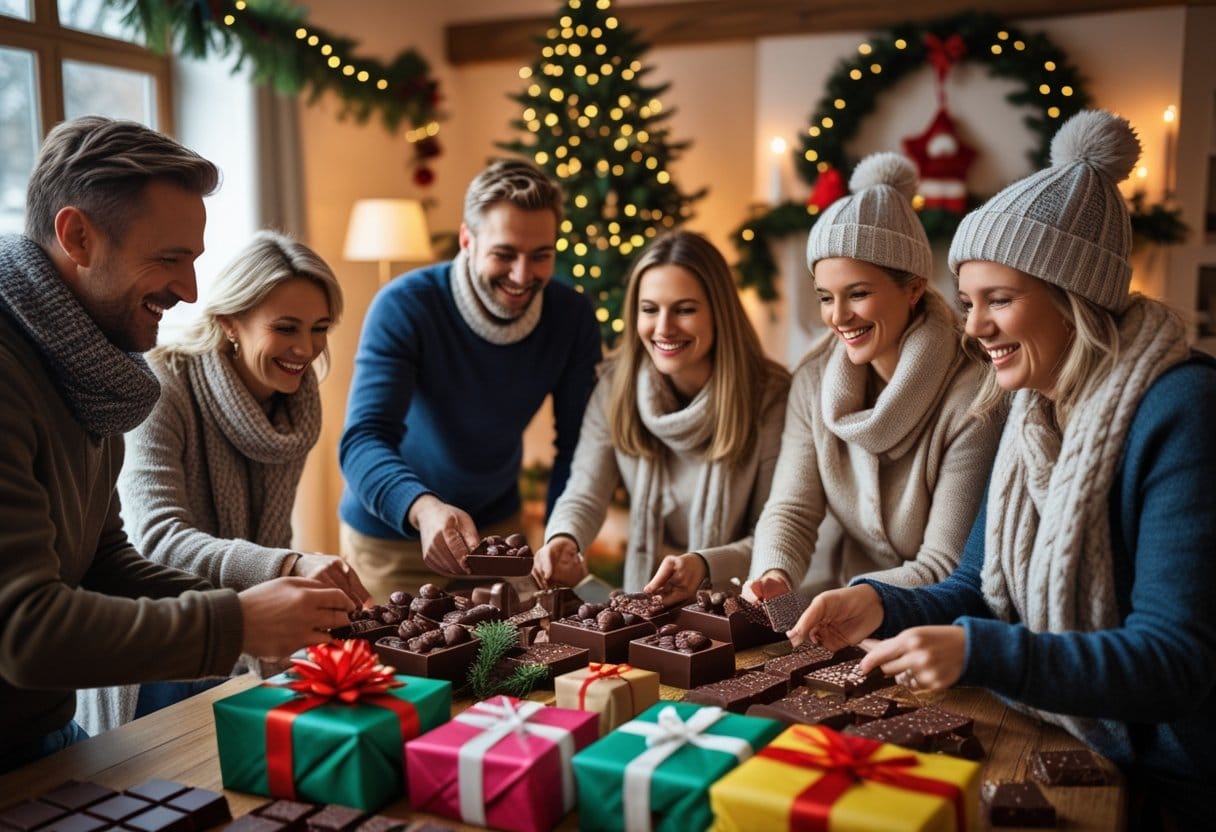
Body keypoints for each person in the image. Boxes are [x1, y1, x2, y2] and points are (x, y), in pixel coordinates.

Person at [797, 111, 1216, 826]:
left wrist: (980, 651)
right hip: (1057, 732)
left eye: (1001, 300)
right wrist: (878, 602)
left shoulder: (1184, 409)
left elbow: (1175, 661)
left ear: (1074, 299)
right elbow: (974, 586)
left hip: (1172, 780)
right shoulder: (1030, 413)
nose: (974, 327)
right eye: (968, 302)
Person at [0, 116, 354, 773]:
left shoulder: (92, 373)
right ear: (77, 236)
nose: (191, 289)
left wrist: (248, 613)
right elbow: (25, 630)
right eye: (170, 258)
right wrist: (241, 622)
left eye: (193, 259)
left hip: (44, 735)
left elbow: (105, 558)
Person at [76, 231, 370, 735]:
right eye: (286, 327)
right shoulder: (162, 384)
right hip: (163, 647)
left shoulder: (294, 406)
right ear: (230, 322)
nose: (306, 348)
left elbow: (269, 539)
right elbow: (157, 541)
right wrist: (290, 565)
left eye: (320, 328)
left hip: (238, 642)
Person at [338, 158, 601, 602]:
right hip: (394, 537)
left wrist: (562, 533)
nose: (522, 276)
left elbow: (577, 444)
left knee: (511, 662)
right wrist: (422, 508)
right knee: (403, 670)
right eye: (504, 254)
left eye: (541, 256)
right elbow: (363, 439)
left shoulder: (572, 317)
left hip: (499, 533)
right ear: (467, 240)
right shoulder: (405, 306)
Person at [743, 153, 1002, 603]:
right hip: (848, 608)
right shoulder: (812, 379)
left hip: (936, 620)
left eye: (858, 294)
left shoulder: (974, 393)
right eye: (826, 297)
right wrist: (775, 573)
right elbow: (792, 508)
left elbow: (944, 564)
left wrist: (850, 599)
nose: (838, 317)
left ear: (915, 288)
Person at [532, 230, 790, 602]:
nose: (664, 328)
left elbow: (775, 538)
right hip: (645, 604)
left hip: (740, 608)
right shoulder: (614, 385)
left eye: (685, 309)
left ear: (719, 313)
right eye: (650, 309)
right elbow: (586, 491)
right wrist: (563, 538)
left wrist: (704, 564)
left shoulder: (771, 397)